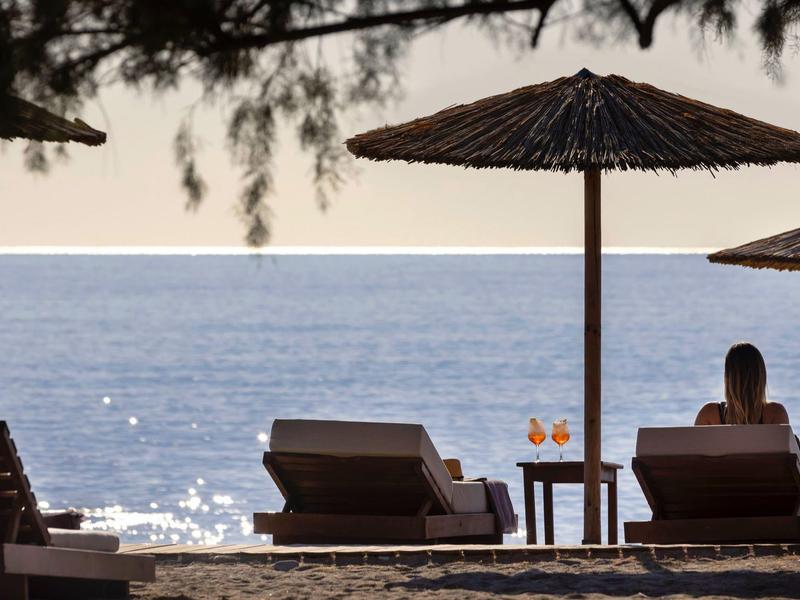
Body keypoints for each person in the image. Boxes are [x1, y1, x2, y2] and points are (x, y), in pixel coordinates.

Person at [695, 342, 790, 425]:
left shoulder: (709, 414)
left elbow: (692, 445)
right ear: (761, 376)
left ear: (727, 378)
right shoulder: (775, 413)